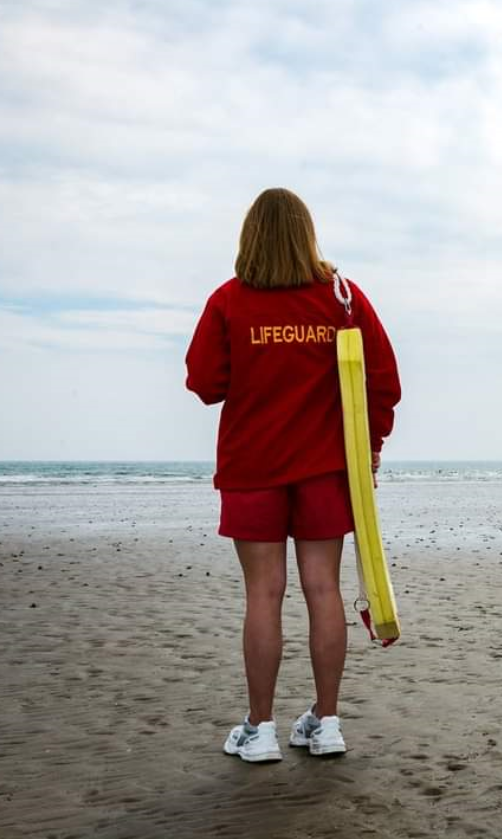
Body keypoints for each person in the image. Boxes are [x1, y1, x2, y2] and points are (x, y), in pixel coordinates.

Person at [186, 188, 401, 763]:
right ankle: (326, 723)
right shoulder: (341, 298)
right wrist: (372, 445)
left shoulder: (229, 301)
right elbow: (384, 381)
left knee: (264, 594)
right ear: (308, 235)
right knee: (322, 589)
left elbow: (205, 383)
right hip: (325, 470)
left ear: (249, 236)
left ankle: (260, 731)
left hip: (252, 466)